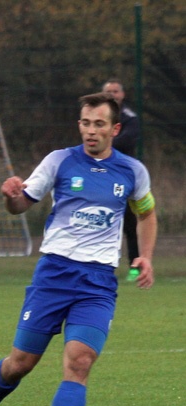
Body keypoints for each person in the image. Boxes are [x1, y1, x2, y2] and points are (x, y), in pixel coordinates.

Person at [0, 92, 157, 406]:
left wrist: (144, 257)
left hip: (98, 281)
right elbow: (22, 204)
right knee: (21, 362)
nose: (91, 131)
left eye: (99, 124)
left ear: (114, 129)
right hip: (54, 274)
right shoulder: (59, 161)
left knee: (80, 360)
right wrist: (10, 197)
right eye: (85, 123)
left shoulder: (133, 171)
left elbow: (146, 214)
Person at [102, 78, 143, 282]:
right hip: (102, 175)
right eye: (108, 91)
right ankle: (102, 264)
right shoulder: (99, 115)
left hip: (124, 176)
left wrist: (105, 142)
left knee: (130, 223)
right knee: (103, 219)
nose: (112, 95)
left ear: (122, 94)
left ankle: (135, 266)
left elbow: (127, 140)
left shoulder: (129, 117)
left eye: (115, 91)